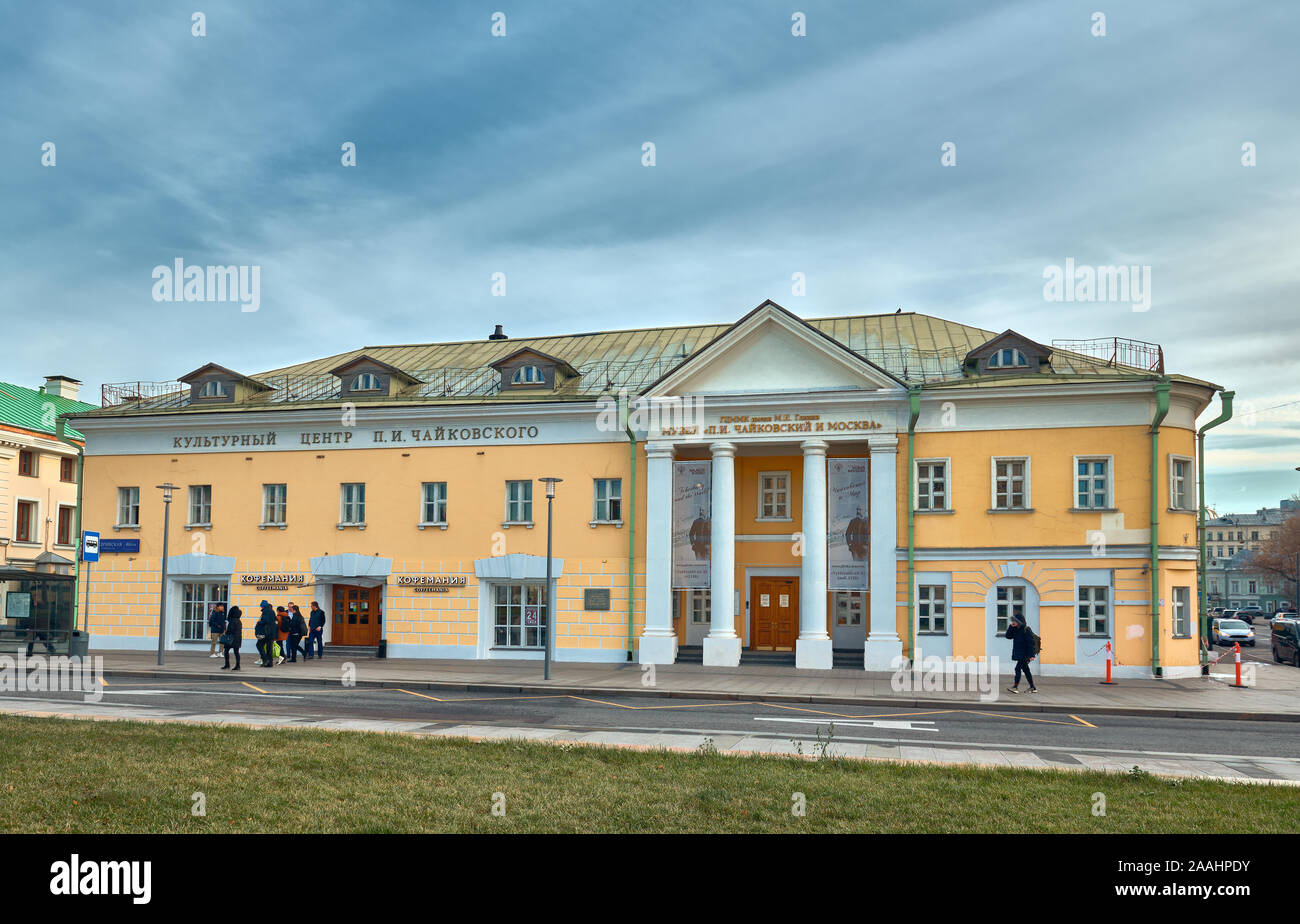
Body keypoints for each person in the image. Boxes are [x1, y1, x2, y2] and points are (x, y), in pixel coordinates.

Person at [1005, 614, 1038, 693]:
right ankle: (1033, 687)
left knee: (1017, 668)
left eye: (1015, 621)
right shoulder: (1016, 629)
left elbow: (1031, 643)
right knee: (1026, 670)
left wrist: (1032, 655)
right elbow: (1008, 636)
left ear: (1019, 621)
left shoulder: (1026, 630)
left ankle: (1015, 687)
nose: (1013, 622)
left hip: (1025, 654)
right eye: (1013, 621)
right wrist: (1010, 627)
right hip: (1020, 653)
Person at [255, 600, 279, 667]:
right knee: (269, 648)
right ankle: (270, 663)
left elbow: (265, 620)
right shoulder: (272, 611)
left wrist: (259, 623)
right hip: (271, 633)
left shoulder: (266, 611)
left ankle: (265, 659)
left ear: (263, 606)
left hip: (266, 632)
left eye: (261, 606)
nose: (261, 608)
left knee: (259, 645)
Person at [220, 605, 243, 671]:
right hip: (238, 638)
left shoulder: (232, 621)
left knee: (226, 651)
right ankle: (238, 665)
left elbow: (231, 630)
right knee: (236, 652)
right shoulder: (239, 621)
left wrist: (226, 633)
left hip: (231, 638)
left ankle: (227, 664)